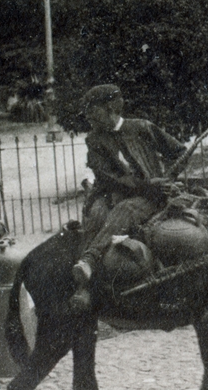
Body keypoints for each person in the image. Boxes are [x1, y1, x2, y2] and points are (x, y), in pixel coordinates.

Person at [69, 84, 187, 313]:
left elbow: (180, 152)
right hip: (116, 194)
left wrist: (168, 179)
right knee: (96, 215)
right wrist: (147, 186)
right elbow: (108, 177)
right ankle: (85, 286)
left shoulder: (142, 127)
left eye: (93, 112)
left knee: (126, 210)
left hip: (153, 198)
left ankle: (90, 261)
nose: (89, 118)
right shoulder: (94, 140)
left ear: (111, 107)